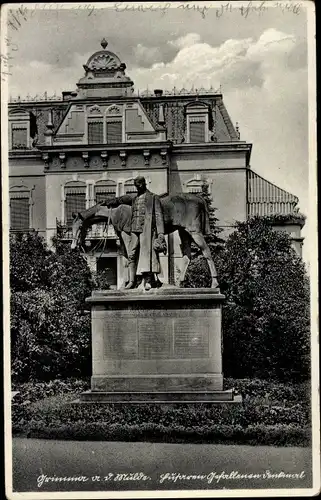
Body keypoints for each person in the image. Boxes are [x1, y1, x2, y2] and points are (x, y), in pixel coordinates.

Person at [104, 176, 167, 290]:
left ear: (143, 184)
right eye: (136, 186)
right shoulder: (135, 198)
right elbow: (121, 199)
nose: (137, 188)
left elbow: (158, 216)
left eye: (139, 185)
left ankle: (148, 280)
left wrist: (161, 233)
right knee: (131, 254)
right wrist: (108, 202)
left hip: (146, 230)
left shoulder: (153, 198)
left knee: (146, 255)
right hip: (134, 229)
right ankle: (132, 281)